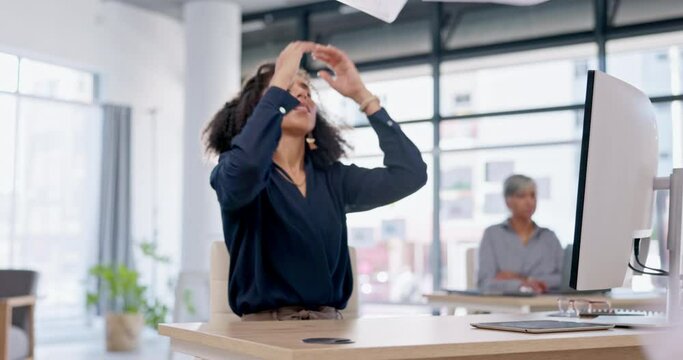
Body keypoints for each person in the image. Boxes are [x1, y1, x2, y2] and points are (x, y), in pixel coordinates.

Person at [204, 41, 427, 321]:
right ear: (259, 112)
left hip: (330, 331)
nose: (301, 94)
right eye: (288, 89)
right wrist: (279, 81)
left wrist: (363, 97)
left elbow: (410, 174)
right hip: (264, 333)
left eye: (306, 90)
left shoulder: (333, 178)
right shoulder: (234, 173)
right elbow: (247, 165)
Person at [477, 174, 564, 294]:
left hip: (545, 306)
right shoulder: (492, 235)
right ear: (508, 201)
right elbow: (485, 283)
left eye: (533, 195)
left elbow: (564, 280)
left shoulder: (549, 237)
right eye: (521, 196)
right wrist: (522, 284)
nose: (529, 202)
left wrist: (521, 279)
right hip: (506, 307)